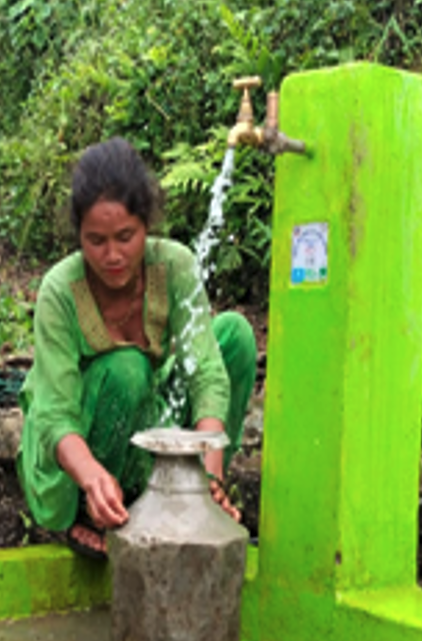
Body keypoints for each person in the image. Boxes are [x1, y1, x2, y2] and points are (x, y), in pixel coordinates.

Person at [18, 138, 257, 559]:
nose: (112, 255)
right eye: (96, 240)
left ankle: (185, 493)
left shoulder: (174, 265)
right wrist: (91, 477)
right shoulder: (60, 290)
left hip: (144, 423)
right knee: (127, 368)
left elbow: (205, 371)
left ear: (146, 226)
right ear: (79, 236)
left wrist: (209, 474)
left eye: (125, 237)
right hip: (74, 458)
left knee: (234, 335)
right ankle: (90, 512)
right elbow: (55, 414)